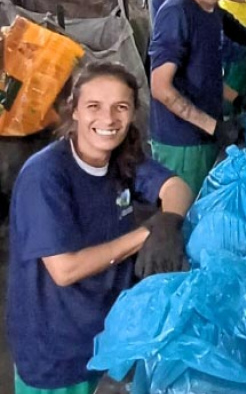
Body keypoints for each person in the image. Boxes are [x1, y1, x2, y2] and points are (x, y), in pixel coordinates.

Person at [7, 62, 193, 394]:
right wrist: (147, 234)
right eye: (94, 106)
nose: (108, 120)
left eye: (120, 107)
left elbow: (176, 186)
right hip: (57, 350)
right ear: (74, 110)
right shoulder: (46, 175)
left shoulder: (122, 159)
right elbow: (65, 269)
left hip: (106, 335)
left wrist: (169, 221)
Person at [149, 0, 241, 196]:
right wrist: (214, 126)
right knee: (183, 220)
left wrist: (237, 99)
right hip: (181, 142)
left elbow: (205, 73)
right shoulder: (177, 12)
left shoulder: (211, 12)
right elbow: (160, 87)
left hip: (204, 134)